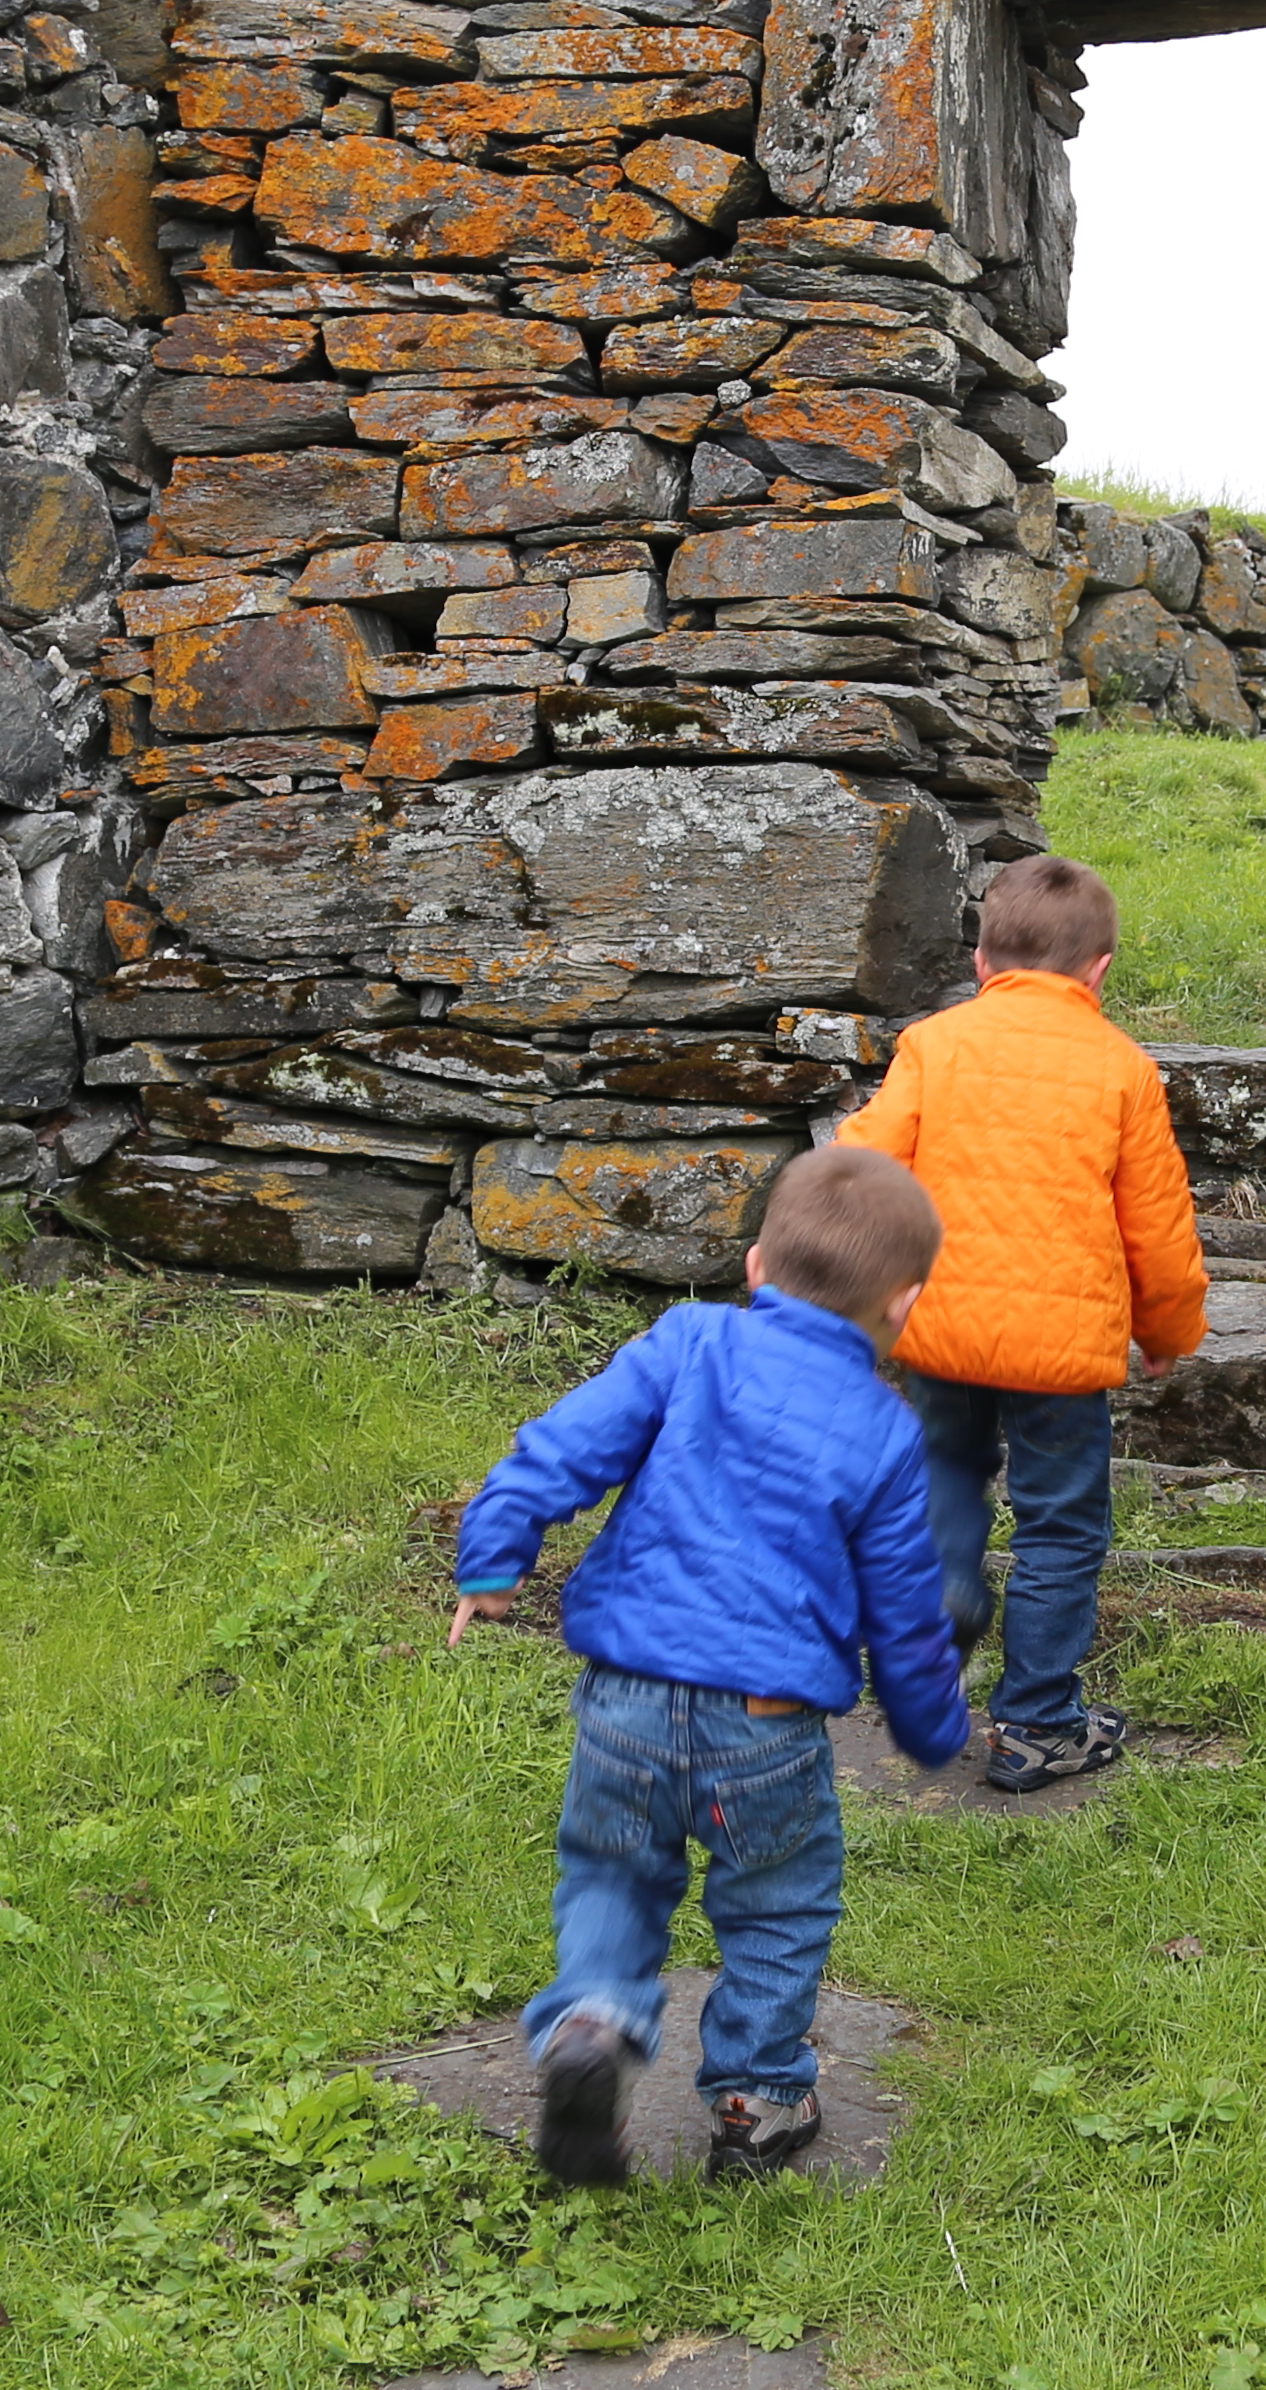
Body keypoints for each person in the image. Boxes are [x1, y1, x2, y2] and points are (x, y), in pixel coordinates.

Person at [446, 1143, 970, 2184]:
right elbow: (908, 1613)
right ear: (906, 1306)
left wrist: (495, 1549)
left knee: (613, 1871)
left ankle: (590, 2026)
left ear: (756, 1266)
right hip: (765, 1727)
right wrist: (931, 1728)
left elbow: (563, 1448)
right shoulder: (882, 1431)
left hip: (626, 1701)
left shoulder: (687, 1344)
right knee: (777, 1903)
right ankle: (758, 2098)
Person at [833, 853, 1213, 1795]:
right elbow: (1157, 1228)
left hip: (938, 1330)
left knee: (941, 1484)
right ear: (1101, 969)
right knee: (1060, 1527)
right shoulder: (1123, 1069)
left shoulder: (933, 1045)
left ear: (981, 961)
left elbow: (862, 1169)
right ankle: (1038, 1723)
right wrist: (1168, 1334)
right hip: (1061, 1353)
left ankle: (941, 1627)